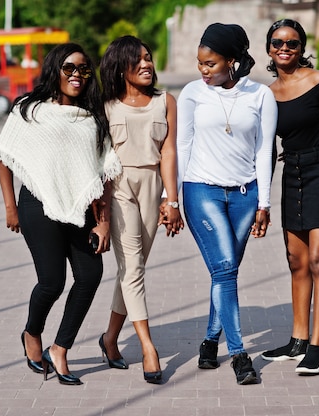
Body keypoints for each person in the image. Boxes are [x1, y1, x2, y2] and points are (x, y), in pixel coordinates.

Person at [0, 43, 122, 386]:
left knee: (91, 274)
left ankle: (60, 348)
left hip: (80, 208)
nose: (77, 75)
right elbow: (3, 156)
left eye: (83, 69)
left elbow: (104, 171)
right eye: (69, 68)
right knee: (52, 282)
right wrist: (10, 207)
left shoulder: (92, 117)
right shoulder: (29, 110)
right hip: (36, 204)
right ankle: (32, 333)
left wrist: (104, 219)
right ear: (55, 69)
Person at [177, 23, 277, 385]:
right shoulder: (192, 94)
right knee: (224, 269)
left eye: (210, 63)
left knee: (227, 271)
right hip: (201, 190)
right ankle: (239, 355)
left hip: (245, 195)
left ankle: (208, 341)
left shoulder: (261, 96)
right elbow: (182, 146)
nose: (202, 70)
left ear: (232, 61)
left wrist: (264, 202)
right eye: (200, 63)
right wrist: (171, 198)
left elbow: (265, 150)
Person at [261, 19, 319, 375]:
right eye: (278, 42)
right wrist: (262, 198)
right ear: (269, 48)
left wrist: (318, 149)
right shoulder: (267, 94)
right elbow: (266, 149)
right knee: (296, 262)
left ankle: (317, 348)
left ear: (302, 48)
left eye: (293, 42)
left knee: (318, 259)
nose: (285, 47)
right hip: (292, 176)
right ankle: (297, 340)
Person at [98, 35, 184, 384]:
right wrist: (101, 215)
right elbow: (99, 161)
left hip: (153, 186)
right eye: (139, 60)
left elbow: (169, 152)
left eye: (149, 58)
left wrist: (171, 199)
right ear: (121, 66)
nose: (147, 64)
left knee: (132, 268)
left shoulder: (166, 101)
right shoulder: (104, 106)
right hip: (117, 186)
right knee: (132, 267)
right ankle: (149, 348)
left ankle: (110, 338)